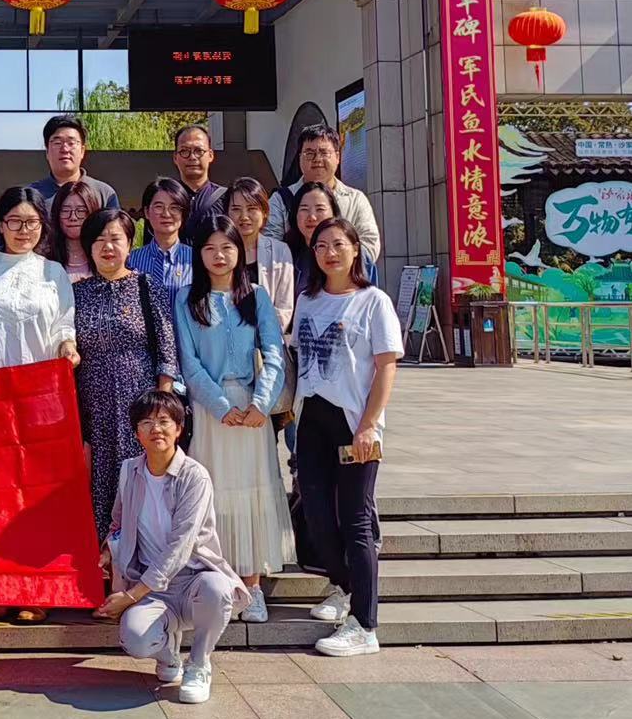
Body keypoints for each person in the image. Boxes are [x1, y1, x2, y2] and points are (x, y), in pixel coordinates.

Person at [95, 389, 249, 706]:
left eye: (164, 421)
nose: (156, 429)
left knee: (218, 589)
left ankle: (199, 664)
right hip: (152, 586)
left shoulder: (195, 477)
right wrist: (109, 550)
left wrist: (131, 596)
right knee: (134, 639)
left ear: (179, 428)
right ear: (136, 433)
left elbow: (181, 545)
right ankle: (168, 655)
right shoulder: (129, 471)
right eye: (147, 422)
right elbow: (118, 522)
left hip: (194, 580)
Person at [0, 185, 79, 625]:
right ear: (0, 225)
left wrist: (68, 347)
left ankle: (36, 588)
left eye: (31, 222)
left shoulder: (54, 272)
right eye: (14, 221)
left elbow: (64, 324)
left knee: (36, 499)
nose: (23, 230)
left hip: (40, 400)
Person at [173, 220, 293, 625]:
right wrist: (220, 406)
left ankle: (253, 585)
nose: (219, 255)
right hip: (211, 412)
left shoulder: (255, 296)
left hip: (251, 411)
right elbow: (189, 362)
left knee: (251, 494)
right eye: (210, 248)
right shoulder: (187, 299)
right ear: (199, 254)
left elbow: (273, 355)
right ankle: (220, 584)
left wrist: (261, 403)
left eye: (227, 247)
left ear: (240, 252)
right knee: (213, 493)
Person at [293, 217, 402, 658]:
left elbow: (386, 366)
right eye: (321, 246)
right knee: (317, 514)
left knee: (355, 518)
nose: (330, 253)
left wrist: (369, 424)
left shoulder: (373, 302)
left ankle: (365, 624)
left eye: (338, 244)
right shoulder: (307, 300)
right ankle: (343, 587)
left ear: (356, 249)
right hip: (311, 420)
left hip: (354, 422)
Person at [74, 208, 178, 543]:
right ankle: (104, 556)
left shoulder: (146, 286)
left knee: (142, 475)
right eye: (99, 240)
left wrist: (161, 407)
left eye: (115, 238)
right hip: (93, 408)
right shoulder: (77, 293)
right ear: (89, 247)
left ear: (130, 244)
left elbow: (167, 350)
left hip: (140, 404)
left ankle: (143, 553)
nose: (108, 247)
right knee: (98, 479)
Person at [267, 123, 381, 264]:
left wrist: (335, 267)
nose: (317, 159)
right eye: (309, 153)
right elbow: (270, 245)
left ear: (337, 157)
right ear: (299, 158)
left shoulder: (355, 199)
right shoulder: (280, 200)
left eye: (324, 152)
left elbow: (369, 244)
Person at [226, 178, 296, 336]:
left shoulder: (280, 251)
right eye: (236, 209)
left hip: (267, 342)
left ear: (265, 212)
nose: (244, 216)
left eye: (252, 208)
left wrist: (262, 338)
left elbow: (284, 308)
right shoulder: (220, 251)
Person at [127, 178, 193, 323]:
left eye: (174, 207)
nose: (166, 214)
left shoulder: (195, 259)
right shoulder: (131, 260)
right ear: (146, 212)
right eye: (158, 207)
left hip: (184, 336)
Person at [29, 115, 121, 210]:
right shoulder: (31, 194)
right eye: (57, 143)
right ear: (47, 152)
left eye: (71, 143)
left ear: (82, 151)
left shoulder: (104, 193)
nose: (65, 149)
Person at [173, 125, 226, 246]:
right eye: (184, 151)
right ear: (175, 157)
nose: (192, 157)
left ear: (211, 155)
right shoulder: (164, 198)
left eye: (199, 151)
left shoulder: (226, 198)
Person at [285, 181, 340, 288]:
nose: (312, 217)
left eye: (320, 209)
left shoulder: (351, 253)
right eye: (304, 209)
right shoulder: (285, 255)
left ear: (333, 213)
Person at [45, 178, 102, 281]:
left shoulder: (104, 256)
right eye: (65, 210)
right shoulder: (43, 260)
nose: (73, 217)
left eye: (81, 211)